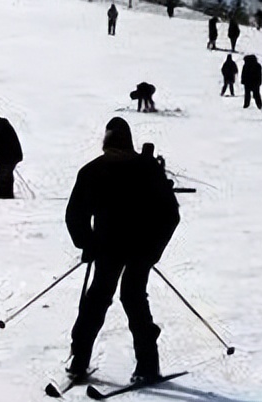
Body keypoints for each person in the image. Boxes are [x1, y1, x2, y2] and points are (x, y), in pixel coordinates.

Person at [64, 117, 179, 383]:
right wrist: (87, 242)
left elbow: (169, 215)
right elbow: (76, 214)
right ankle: (80, 359)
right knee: (104, 300)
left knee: (125, 298)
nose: (115, 155)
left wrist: (153, 250)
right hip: (115, 248)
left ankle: (145, 364)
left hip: (130, 248)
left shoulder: (114, 169)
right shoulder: (134, 169)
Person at [0, 115, 23, 199]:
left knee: (3, 174)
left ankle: (3, 193)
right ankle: (6, 193)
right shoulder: (2, 125)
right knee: (6, 174)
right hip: (12, 154)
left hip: (9, 155)